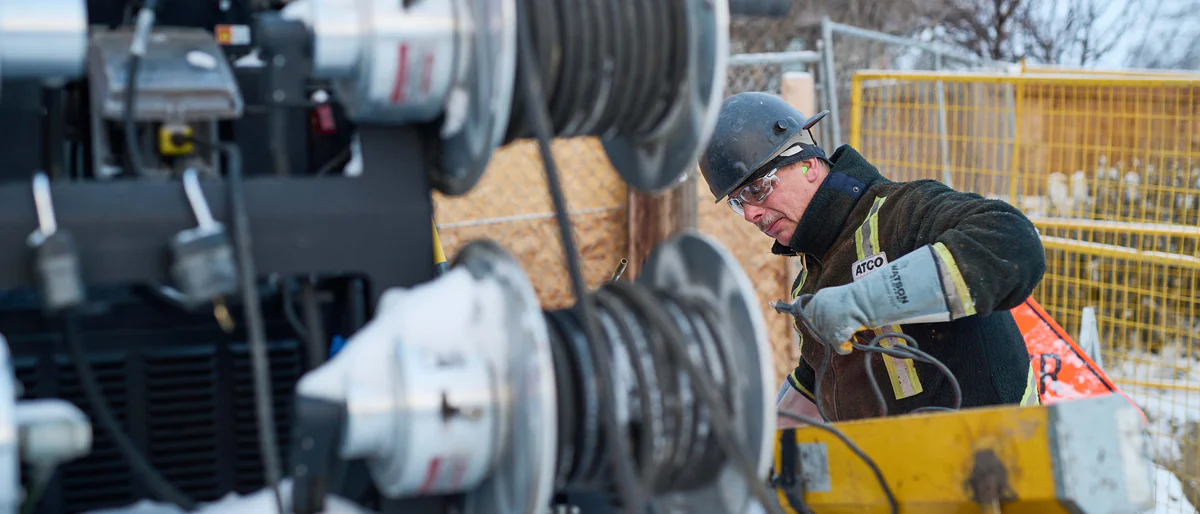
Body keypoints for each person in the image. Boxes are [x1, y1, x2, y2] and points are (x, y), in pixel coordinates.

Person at [698, 92, 1045, 424]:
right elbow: (818, 382)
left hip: (1003, 466)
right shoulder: (810, 278)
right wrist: (764, 453)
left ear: (806, 163)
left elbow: (1012, 242)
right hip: (905, 477)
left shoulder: (902, 213)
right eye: (737, 202)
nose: (750, 215)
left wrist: (863, 300)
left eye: (757, 189)